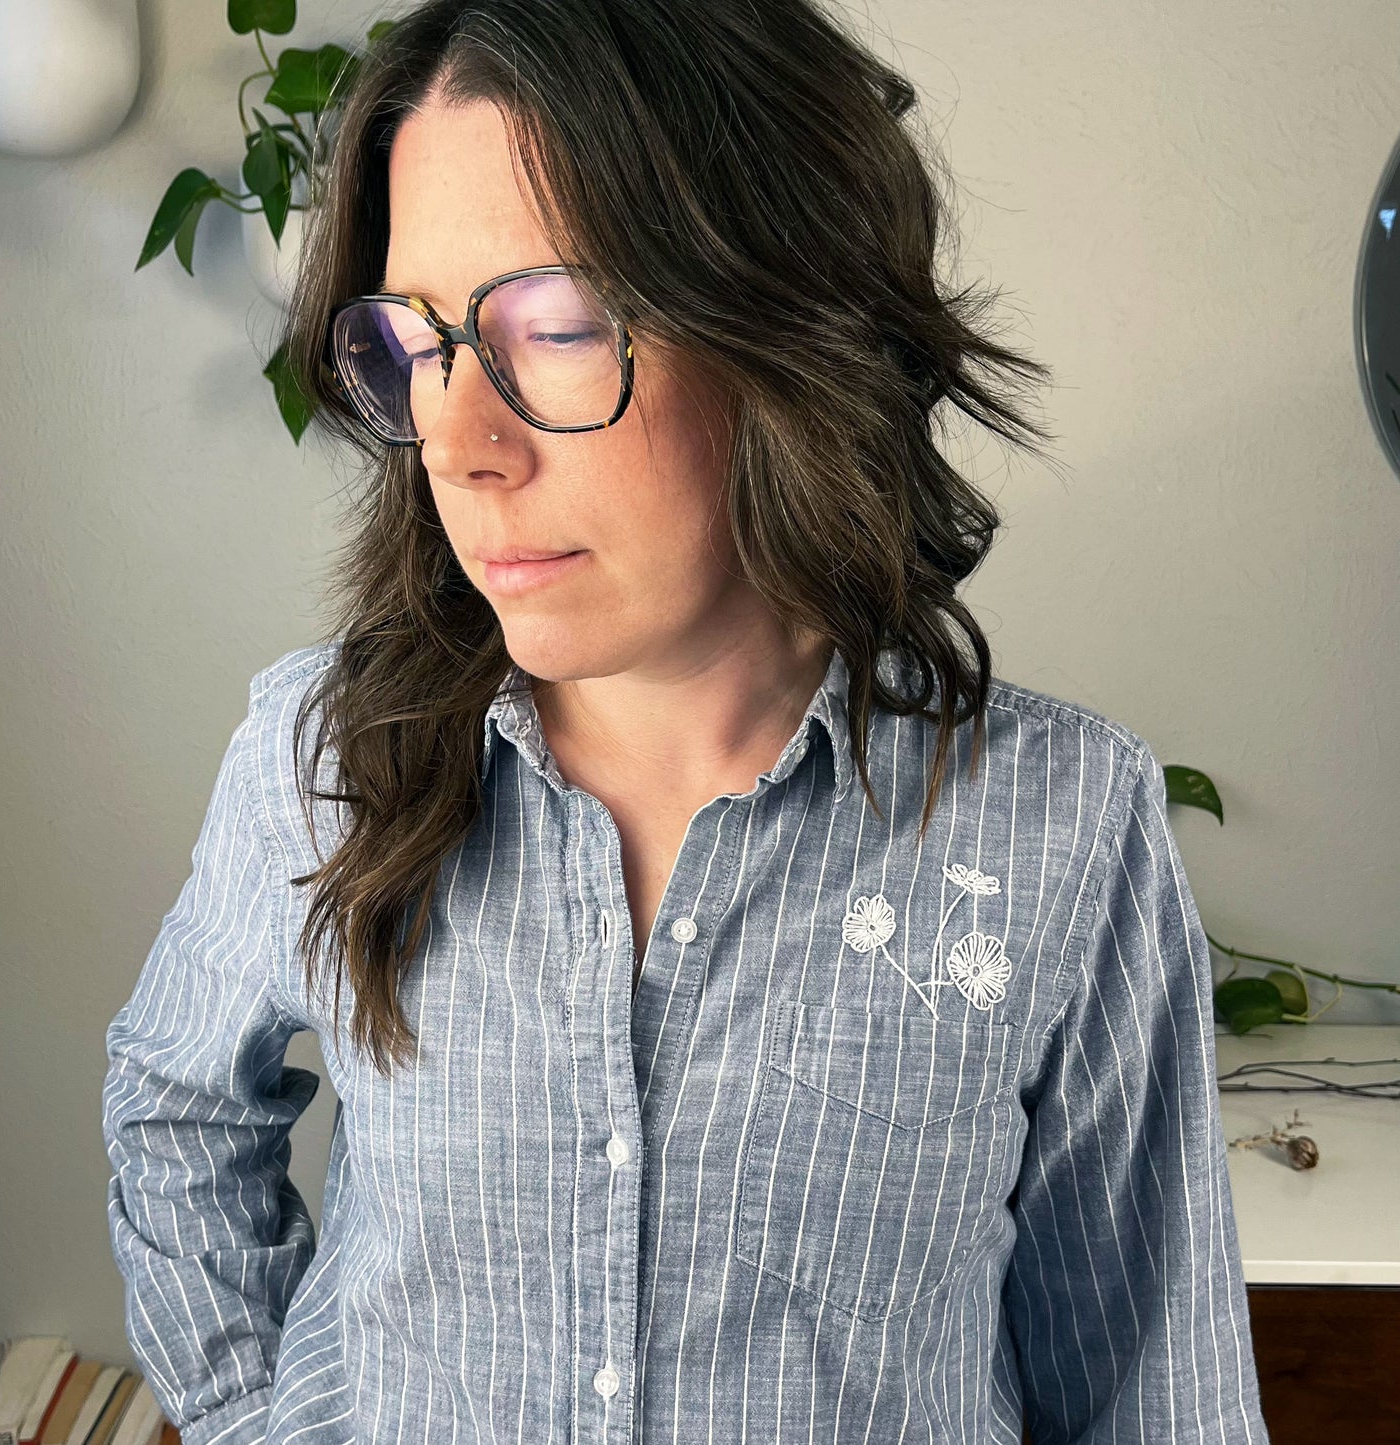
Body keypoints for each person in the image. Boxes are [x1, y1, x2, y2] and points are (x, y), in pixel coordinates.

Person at [100, 1, 1272, 1442]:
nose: (463, 445)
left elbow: (1153, 1384)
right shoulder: (323, 759)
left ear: (783, 320)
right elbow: (174, 1114)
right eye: (415, 342)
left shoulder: (1060, 825)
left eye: (558, 326)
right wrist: (256, 1421)